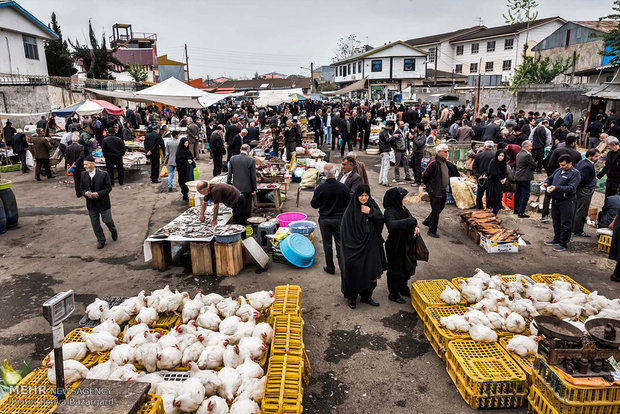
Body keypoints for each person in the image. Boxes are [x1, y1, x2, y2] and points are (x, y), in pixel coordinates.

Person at [340, 184, 386, 310]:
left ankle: (367, 297)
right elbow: (345, 233)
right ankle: (352, 298)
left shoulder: (372, 205)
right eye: (361, 195)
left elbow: (381, 219)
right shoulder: (350, 211)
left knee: (372, 271)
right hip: (354, 248)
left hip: (371, 246)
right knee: (354, 272)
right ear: (357, 196)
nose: (364, 198)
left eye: (366, 195)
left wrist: (370, 212)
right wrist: (351, 248)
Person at [310, 163, 350, 275]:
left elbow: (314, 204)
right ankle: (343, 269)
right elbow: (348, 203)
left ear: (324, 173)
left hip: (325, 219)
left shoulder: (320, 188)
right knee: (340, 244)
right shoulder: (343, 187)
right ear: (335, 172)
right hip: (339, 219)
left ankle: (330, 267)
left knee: (327, 245)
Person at [383, 187, 419, 304]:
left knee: (405, 267)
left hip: (405, 243)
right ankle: (393, 293)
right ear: (396, 199)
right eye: (403, 197)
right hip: (395, 245)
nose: (406, 199)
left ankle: (403, 288)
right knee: (395, 270)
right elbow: (391, 225)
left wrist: (415, 226)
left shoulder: (402, 208)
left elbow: (411, 219)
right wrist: (409, 222)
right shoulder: (390, 211)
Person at [542, 155, 581, 252]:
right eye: (560, 165)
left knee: (566, 222)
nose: (561, 167)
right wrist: (546, 182)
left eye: (563, 165)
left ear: (570, 163)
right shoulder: (558, 170)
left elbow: (572, 188)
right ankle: (556, 239)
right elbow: (550, 178)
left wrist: (557, 188)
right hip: (556, 200)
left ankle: (563, 243)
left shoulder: (575, 174)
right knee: (556, 221)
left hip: (567, 201)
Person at [80, 156, 117, 249]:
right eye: (84, 164)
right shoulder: (83, 175)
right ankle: (101, 240)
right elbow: (81, 188)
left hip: (103, 203)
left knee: (107, 220)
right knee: (95, 223)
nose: (84, 166)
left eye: (86, 164)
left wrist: (98, 194)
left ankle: (113, 230)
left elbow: (108, 188)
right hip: (91, 204)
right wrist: (85, 193)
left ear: (93, 164)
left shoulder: (103, 174)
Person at [422, 143, 458, 237]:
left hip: (442, 190)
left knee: (440, 208)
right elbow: (425, 176)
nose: (447, 153)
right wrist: (430, 187)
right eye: (445, 151)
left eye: (447, 151)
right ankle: (432, 231)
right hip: (435, 191)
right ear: (439, 152)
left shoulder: (444, 162)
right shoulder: (434, 162)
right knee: (436, 211)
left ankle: (427, 221)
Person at [227, 144, 257, 225]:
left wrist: (228, 185)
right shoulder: (251, 160)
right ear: (248, 151)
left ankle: (236, 224)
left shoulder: (233, 159)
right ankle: (245, 224)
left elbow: (229, 174)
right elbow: (253, 177)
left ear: (240, 150)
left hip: (236, 188)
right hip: (247, 188)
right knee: (246, 208)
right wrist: (254, 188)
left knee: (236, 207)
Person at [572, 149, 599, 236]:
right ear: (590, 156)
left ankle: (574, 228)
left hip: (582, 190)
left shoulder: (582, 162)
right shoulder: (587, 166)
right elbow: (582, 179)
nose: (598, 158)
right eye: (596, 156)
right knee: (582, 210)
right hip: (585, 191)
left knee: (577, 209)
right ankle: (577, 230)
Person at [514, 141, 537, 218]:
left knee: (518, 194)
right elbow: (534, 165)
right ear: (526, 147)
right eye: (530, 146)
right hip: (525, 177)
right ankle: (521, 212)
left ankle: (516, 209)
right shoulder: (527, 155)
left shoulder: (519, 154)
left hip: (518, 176)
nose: (532, 148)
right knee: (525, 195)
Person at [472, 141, 496, 209]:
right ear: (493, 147)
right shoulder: (495, 155)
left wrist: (478, 175)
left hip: (481, 177)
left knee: (480, 192)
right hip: (491, 177)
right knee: (490, 193)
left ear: (485, 146)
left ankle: (479, 206)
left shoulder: (479, 155)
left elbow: (474, 167)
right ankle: (489, 206)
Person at [486, 150, 508, 215]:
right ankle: (492, 214)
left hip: (498, 183)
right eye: (499, 155)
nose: (501, 157)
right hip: (492, 183)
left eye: (502, 156)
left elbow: (505, 173)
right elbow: (492, 173)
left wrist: (504, 178)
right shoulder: (493, 162)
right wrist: (500, 178)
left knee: (498, 199)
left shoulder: (503, 163)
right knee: (493, 200)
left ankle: (494, 214)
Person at [175, 138, 195, 202]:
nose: (186, 145)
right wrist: (186, 161)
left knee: (189, 181)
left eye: (187, 143)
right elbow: (178, 161)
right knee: (183, 182)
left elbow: (191, 158)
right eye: (185, 143)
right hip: (182, 170)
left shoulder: (187, 151)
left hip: (189, 169)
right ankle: (185, 195)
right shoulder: (179, 151)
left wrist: (192, 162)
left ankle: (189, 195)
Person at [378, 120, 395, 186]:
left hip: (382, 150)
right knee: (386, 167)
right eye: (391, 127)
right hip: (385, 150)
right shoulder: (384, 132)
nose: (391, 128)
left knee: (383, 166)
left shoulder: (382, 131)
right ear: (387, 126)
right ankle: (385, 181)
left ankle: (381, 180)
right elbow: (387, 140)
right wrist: (394, 137)